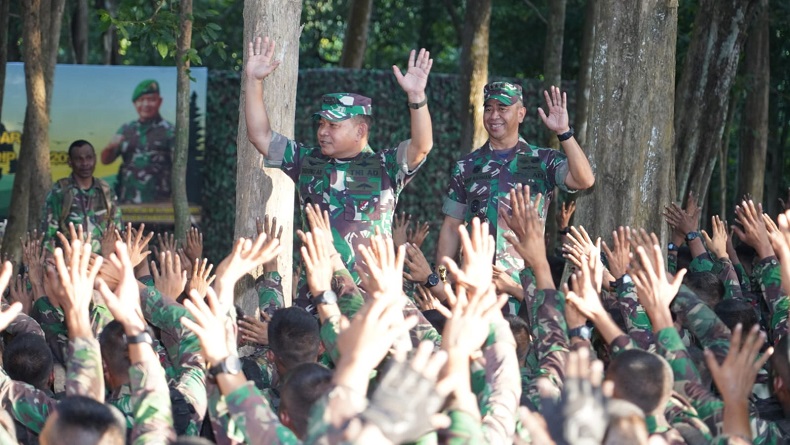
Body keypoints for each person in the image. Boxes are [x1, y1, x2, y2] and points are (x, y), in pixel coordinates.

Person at [244, 36, 435, 306]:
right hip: (315, 300)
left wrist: (416, 97)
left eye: (333, 125)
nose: (322, 131)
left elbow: (422, 146)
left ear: (360, 130)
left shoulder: (385, 166)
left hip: (370, 302)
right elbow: (259, 136)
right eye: (321, 123)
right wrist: (254, 81)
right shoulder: (307, 161)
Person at [436, 81, 595, 313]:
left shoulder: (543, 160)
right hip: (476, 288)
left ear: (521, 114)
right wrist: (442, 278)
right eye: (488, 108)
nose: (494, 115)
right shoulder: (467, 166)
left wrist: (564, 132)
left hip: (526, 288)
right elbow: (451, 227)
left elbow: (584, 180)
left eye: (503, 108)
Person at [41, 139, 122, 254]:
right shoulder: (60, 193)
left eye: (89, 158)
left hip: (103, 264)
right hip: (71, 265)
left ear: (94, 159)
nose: (85, 163)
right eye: (79, 159)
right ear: (70, 162)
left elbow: (118, 231)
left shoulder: (106, 191)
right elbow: (48, 235)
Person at [101, 79, 175, 204]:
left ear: (159, 101)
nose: (146, 104)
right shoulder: (126, 130)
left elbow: (180, 168)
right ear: (135, 104)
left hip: (160, 201)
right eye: (141, 100)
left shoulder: (170, 131)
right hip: (128, 199)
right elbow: (106, 160)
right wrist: (110, 147)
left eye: (151, 99)